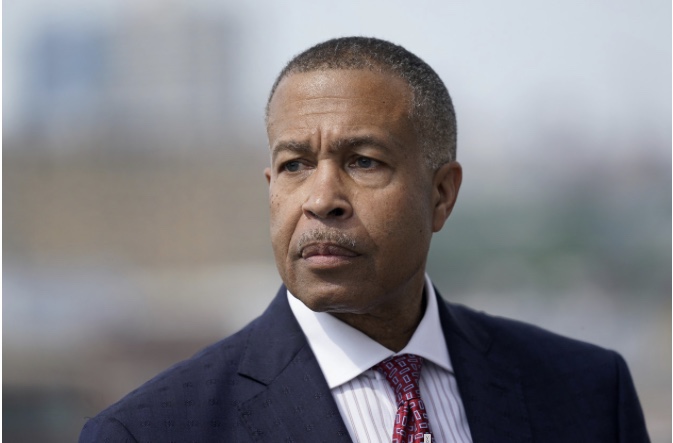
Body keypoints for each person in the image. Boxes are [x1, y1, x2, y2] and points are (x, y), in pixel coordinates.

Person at [79, 37, 650, 443]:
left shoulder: (587, 394)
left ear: (442, 195)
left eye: (363, 161)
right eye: (295, 165)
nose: (321, 198)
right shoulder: (149, 431)